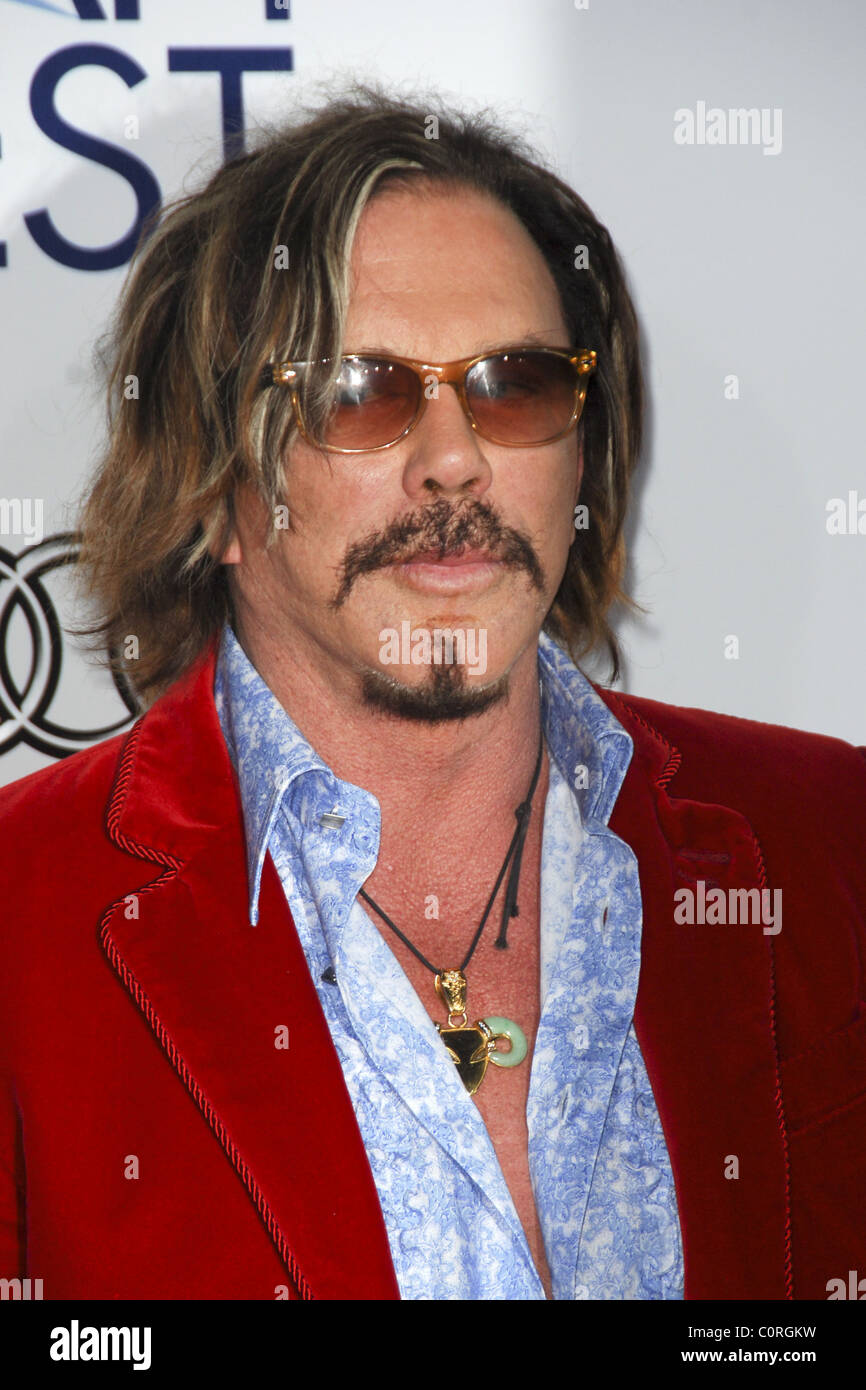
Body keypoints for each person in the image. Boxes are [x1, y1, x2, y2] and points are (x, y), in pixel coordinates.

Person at [1, 88, 864, 1303]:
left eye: (513, 384)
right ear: (211, 489)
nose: (455, 459)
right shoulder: (21, 925)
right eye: (358, 391)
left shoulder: (828, 837)